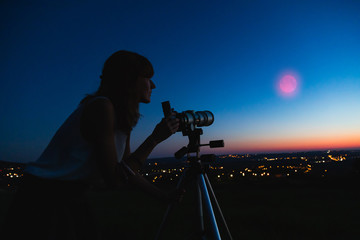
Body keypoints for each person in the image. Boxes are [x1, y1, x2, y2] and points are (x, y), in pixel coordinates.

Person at [4, 50, 180, 239]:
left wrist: (162, 196)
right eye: (147, 77)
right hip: (43, 199)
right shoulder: (101, 107)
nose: (153, 84)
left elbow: (128, 171)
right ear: (129, 79)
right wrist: (154, 139)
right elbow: (115, 179)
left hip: (70, 195)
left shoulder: (122, 119)